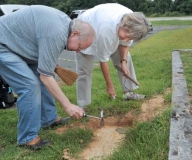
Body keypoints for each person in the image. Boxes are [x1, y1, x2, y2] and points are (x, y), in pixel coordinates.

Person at [0, 5, 95, 149]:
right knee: (30, 86)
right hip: (3, 45)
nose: (78, 51)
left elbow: (44, 46)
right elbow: (46, 77)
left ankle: (49, 119)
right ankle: (27, 138)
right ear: (75, 34)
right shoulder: (56, 33)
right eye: (80, 46)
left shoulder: (64, 27)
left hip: (19, 46)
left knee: (41, 77)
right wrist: (68, 106)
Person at [76, 3, 150, 109]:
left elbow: (125, 45)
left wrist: (123, 62)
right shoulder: (106, 29)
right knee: (85, 70)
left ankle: (128, 93)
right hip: (86, 28)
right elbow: (103, 60)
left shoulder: (133, 23)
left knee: (126, 58)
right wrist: (109, 85)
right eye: (127, 36)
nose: (127, 39)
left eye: (130, 38)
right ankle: (82, 106)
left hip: (108, 26)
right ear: (124, 26)